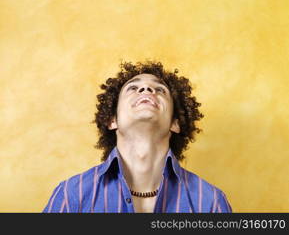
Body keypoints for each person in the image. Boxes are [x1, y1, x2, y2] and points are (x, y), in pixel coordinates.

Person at [43, 60, 232, 213]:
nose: (147, 90)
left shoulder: (210, 203)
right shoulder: (71, 195)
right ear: (112, 120)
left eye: (159, 90)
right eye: (133, 88)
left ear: (175, 123)